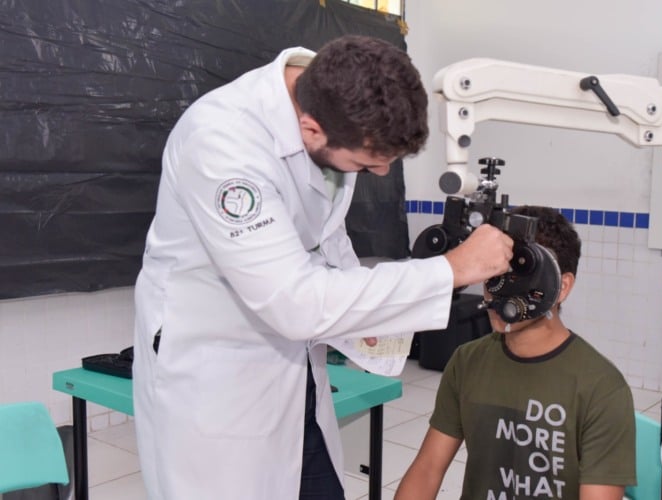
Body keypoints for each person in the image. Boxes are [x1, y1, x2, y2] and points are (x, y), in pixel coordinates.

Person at [132, 34, 514, 500]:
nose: (378, 174)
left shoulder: (337, 97)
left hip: (295, 372)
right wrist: (450, 270)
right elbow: (293, 301)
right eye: (365, 164)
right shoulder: (222, 143)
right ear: (311, 129)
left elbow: (323, 238)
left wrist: (368, 321)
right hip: (218, 376)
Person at [395, 205, 636, 500]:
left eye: (522, 275)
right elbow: (428, 468)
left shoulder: (601, 387)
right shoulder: (467, 362)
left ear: (562, 287)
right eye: (496, 274)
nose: (501, 291)